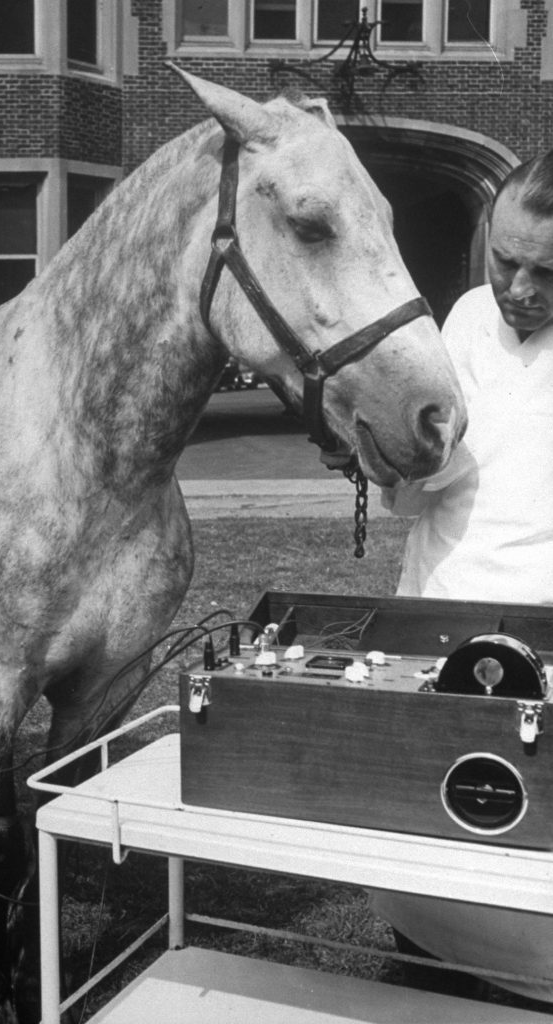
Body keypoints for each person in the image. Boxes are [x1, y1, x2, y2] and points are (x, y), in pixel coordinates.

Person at [374, 152, 553, 1007]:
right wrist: (389, 455)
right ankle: (424, 961)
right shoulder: (467, 315)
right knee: (424, 827)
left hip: (545, 633)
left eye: (546, 272)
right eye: (503, 260)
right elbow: (426, 481)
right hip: (436, 613)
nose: (516, 287)